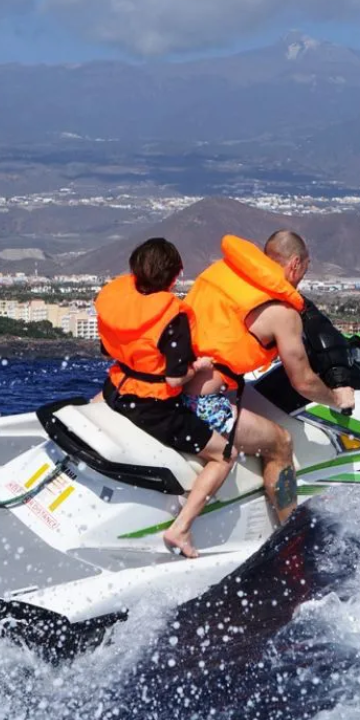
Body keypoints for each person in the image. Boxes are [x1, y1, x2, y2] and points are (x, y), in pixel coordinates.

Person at [182, 230, 355, 525]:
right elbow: (303, 382)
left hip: (173, 386)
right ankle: (289, 534)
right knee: (280, 443)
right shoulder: (281, 313)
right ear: (296, 264)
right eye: (304, 271)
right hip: (202, 403)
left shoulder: (221, 272)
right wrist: (336, 398)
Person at [94, 237, 235, 558]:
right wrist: (198, 366)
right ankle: (181, 529)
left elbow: (107, 350)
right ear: (174, 276)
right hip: (152, 408)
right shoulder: (172, 317)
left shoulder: (113, 299)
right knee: (226, 454)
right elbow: (174, 378)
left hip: (115, 390)